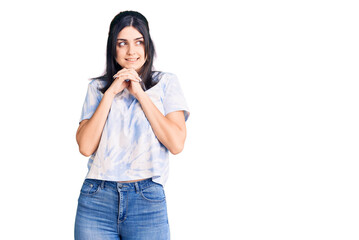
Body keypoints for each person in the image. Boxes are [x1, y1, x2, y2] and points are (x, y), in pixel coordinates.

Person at [74, 10, 189, 240]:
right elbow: (86, 147)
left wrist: (139, 93)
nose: (131, 51)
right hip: (97, 200)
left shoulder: (166, 83)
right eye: (122, 43)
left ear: (148, 44)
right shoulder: (97, 88)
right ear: (112, 47)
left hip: (146, 201)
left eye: (138, 42)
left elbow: (176, 144)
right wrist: (111, 93)